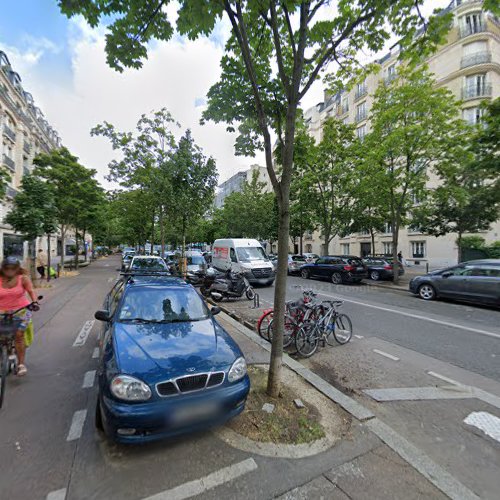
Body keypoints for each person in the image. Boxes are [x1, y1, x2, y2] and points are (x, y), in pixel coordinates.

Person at [0, 257, 38, 376]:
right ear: (3, 268)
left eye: (13, 268)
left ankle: (21, 364)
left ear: (17, 269)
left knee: (19, 335)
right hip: (2, 312)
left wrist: (35, 302)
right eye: (7, 268)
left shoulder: (23, 279)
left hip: (22, 311)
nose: (10, 271)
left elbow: (31, 291)